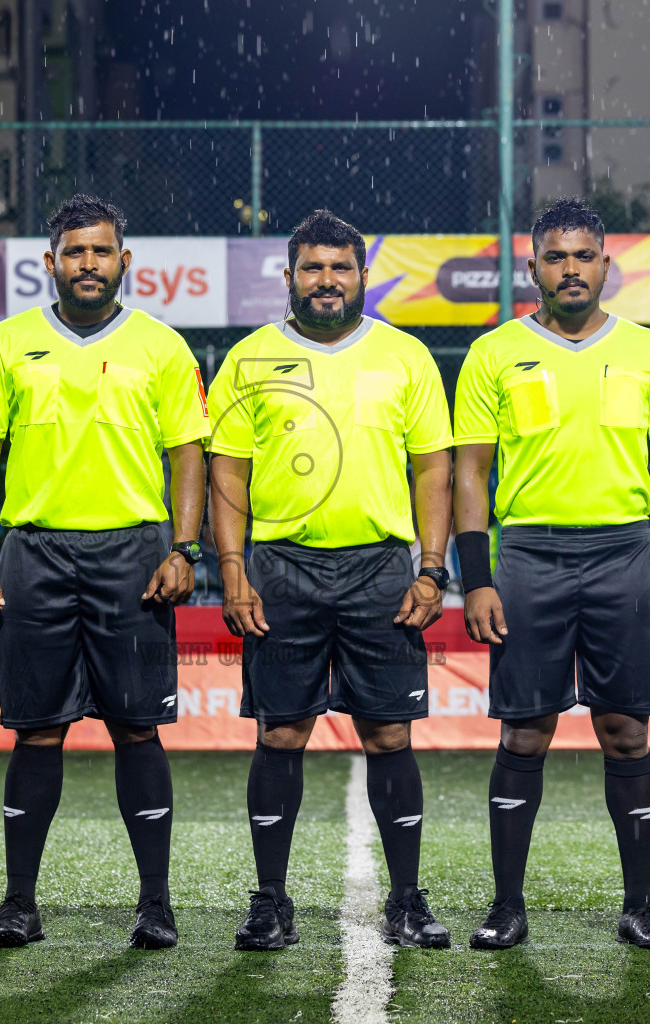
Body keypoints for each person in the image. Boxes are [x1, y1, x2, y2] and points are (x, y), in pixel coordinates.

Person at [0, 194, 208, 951]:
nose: (89, 264)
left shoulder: (162, 347)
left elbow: (187, 453)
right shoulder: (8, 343)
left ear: (124, 262)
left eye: (101, 252)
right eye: (75, 252)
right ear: (51, 264)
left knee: (138, 731)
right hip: (34, 554)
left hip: (133, 556)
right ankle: (19, 904)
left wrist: (183, 548)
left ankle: (156, 905)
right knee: (37, 732)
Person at [451, 196, 650, 952]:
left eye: (583, 255)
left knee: (627, 732)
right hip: (527, 555)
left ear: (605, 264)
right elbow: (471, 472)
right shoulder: (494, 353)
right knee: (524, 732)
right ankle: (506, 906)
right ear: (533, 268)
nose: (570, 269)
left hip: (625, 553)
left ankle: (641, 906)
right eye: (555, 257)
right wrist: (477, 576)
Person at [209, 209, 455, 952]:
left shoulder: (406, 357)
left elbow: (433, 468)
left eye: (339, 267)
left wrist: (432, 569)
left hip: (381, 568)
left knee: (388, 734)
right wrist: (232, 570)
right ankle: (270, 902)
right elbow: (228, 472)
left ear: (362, 275)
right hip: (282, 569)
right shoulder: (249, 360)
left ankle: (407, 900)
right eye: (312, 269)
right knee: (281, 731)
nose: (326, 281)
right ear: (288, 278)